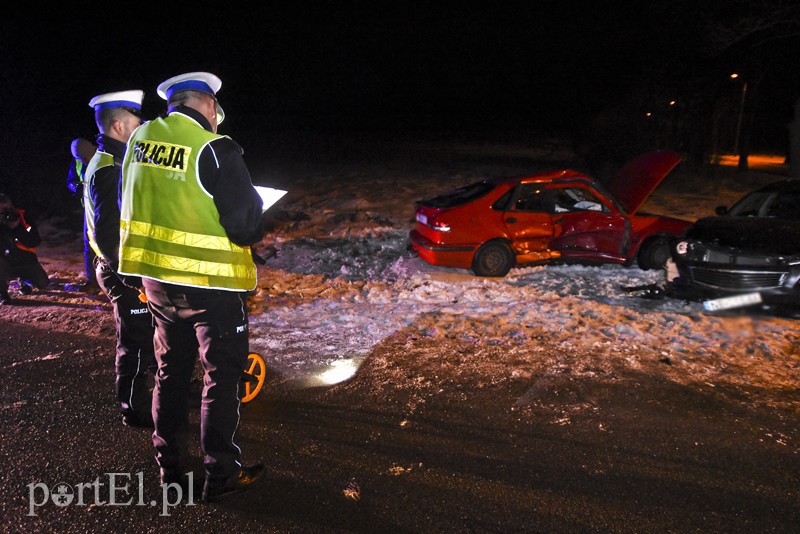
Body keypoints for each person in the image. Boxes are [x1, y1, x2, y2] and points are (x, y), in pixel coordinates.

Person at [118, 72, 266, 502]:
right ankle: (221, 473)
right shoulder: (215, 148)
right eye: (216, 111)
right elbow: (246, 227)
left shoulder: (140, 140)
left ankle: (170, 468)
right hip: (211, 287)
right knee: (221, 378)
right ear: (208, 104)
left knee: (171, 373)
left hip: (157, 284)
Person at [84, 90, 156, 428]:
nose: (141, 128)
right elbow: (108, 233)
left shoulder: (117, 160)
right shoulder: (109, 168)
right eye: (137, 123)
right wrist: (131, 279)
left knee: (150, 334)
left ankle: (162, 392)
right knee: (136, 341)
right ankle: (134, 408)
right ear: (119, 126)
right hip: (121, 270)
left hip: (127, 266)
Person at [0, 193, 49, 304]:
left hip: (24, 259)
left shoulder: (22, 217)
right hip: (3, 262)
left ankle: (24, 280)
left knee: (42, 283)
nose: (6, 213)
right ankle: (2, 293)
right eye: (2, 210)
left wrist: (17, 228)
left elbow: (34, 241)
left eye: (8, 209)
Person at [67, 137, 99, 290]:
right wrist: (76, 187)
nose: (84, 161)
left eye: (85, 158)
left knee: (112, 243)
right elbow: (70, 180)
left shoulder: (103, 157)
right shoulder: (78, 161)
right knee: (89, 244)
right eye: (81, 159)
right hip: (88, 209)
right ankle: (93, 281)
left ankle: (120, 280)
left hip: (107, 207)